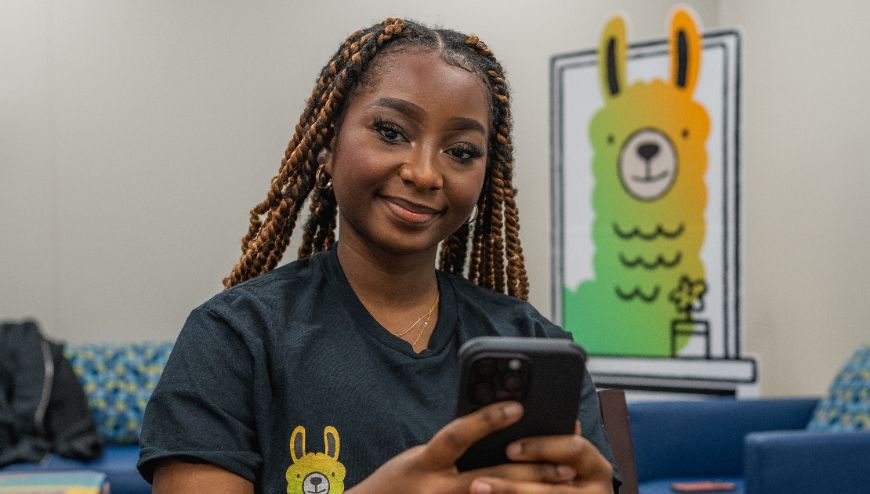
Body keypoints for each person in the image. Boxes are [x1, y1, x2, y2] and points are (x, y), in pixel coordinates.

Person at [138, 18, 618, 494]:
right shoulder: (235, 337)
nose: (426, 173)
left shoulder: (532, 341)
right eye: (391, 131)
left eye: (462, 151)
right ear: (327, 145)